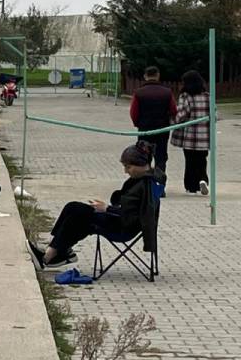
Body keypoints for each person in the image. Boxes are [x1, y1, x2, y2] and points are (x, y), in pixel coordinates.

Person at [29, 142, 157, 268]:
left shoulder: (144, 185)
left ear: (140, 165)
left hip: (123, 226)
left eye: (128, 167)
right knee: (72, 207)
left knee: (78, 216)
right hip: (120, 219)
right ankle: (58, 252)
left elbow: (136, 215)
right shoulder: (143, 179)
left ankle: (48, 256)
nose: (125, 171)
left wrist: (106, 208)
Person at [130, 66, 175, 174]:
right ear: (158, 75)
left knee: (144, 157)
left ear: (145, 76)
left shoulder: (139, 93)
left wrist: (138, 123)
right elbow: (173, 110)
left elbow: (133, 112)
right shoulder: (167, 92)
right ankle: (159, 186)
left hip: (145, 130)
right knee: (161, 158)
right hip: (162, 130)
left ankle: (146, 185)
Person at [171, 70, 210, 195]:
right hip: (204, 137)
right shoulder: (208, 96)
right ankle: (203, 180)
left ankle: (191, 187)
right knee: (202, 160)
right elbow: (214, 115)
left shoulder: (185, 96)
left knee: (190, 161)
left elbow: (182, 114)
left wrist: (172, 121)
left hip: (189, 136)